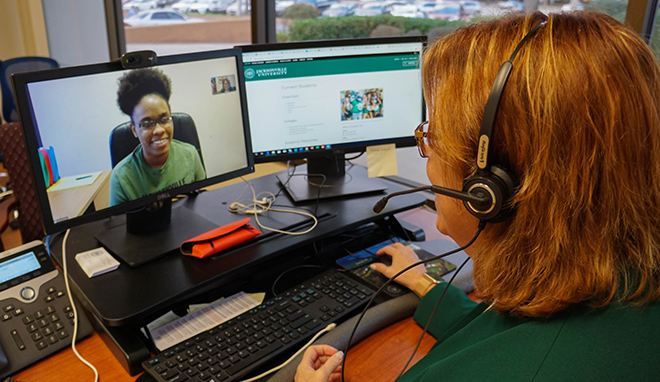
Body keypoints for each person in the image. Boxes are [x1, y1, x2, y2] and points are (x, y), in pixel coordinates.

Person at [295, 11, 660, 382]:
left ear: (487, 189)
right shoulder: (619, 281)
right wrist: (424, 284)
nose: (429, 154)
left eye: (434, 138)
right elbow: (496, 329)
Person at [110, 68, 206, 206]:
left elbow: (203, 202)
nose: (159, 130)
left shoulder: (190, 155)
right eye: (147, 124)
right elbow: (117, 225)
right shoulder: (121, 177)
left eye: (164, 120)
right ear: (134, 130)